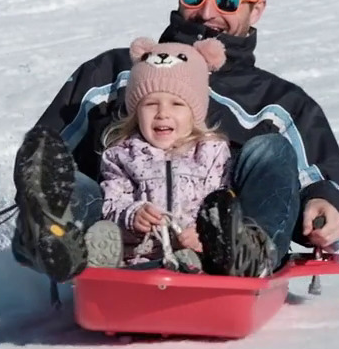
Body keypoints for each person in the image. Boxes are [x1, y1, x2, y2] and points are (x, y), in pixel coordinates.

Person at [1, 0, 339, 284]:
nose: (206, 12)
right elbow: (47, 154)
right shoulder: (115, 72)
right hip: (115, 245)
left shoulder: (279, 105)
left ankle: (247, 253)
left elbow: (325, 189)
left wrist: (325, 208)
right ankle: (52, 238)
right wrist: (44, 192)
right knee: (64, 182)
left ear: (256, 8)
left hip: (213, 251)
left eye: (227, 3)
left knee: (270, 150)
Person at [84, 36, 230, 271]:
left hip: (195, 250)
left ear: (195, 113)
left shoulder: (212, 152)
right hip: (140, 257)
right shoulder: (122, 155)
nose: (162, 113)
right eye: (151, 104)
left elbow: (221, 200)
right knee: (107, 233)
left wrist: (206, 231)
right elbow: (112, 202)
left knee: (196, 256)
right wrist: (132, 215)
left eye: (177, 104)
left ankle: (191, 267)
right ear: (136, 112)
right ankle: (104, 268)